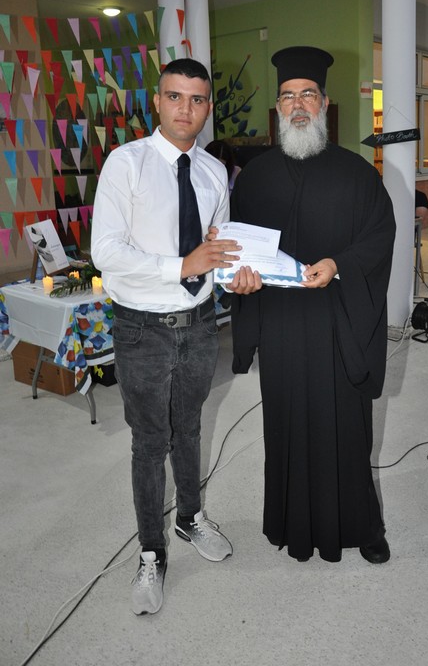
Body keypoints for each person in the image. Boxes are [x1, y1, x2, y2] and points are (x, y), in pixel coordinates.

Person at [223, 46, 396, 563]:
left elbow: (380, 237)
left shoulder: (357, 173)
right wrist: (238, 280)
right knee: (285, 425)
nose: (297, 105)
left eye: (307, 95)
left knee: (346, 427)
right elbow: (237, 248)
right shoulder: (254, 177)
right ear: (278, 107)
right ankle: (292, 525)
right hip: (280, 325)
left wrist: (338, 263)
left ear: (324, 101)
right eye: (287, 96)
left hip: (338, 321)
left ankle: (362, 526)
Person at [91, 58, 242, 615]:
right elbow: (105, 251)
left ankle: (189, 518)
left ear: (208, 107)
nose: (186, 109)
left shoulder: (213, 172)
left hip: (200, 324)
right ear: (157, 101)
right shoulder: (125, 163)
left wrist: (236, 273)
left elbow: (217, 248)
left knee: (190, 428)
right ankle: (150, 552)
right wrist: (180, 265)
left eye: (197, 100)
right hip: (143, 329)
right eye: (175, 97)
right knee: (150, 441)